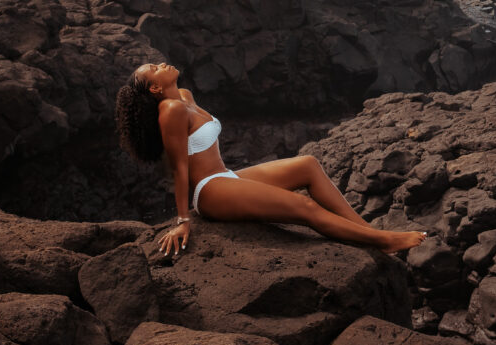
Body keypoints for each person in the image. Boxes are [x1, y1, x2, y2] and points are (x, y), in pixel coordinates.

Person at [114, 62, 427, 257]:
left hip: (227, 176)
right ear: (155, 87)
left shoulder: (184, 97)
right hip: (209, 191)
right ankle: (382, 240)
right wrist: (183, 222)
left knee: (307, 165)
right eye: (154, 68)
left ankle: (372, 237)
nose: (160, 63)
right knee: (304, 207)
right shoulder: (169, 111)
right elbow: (179, 169)